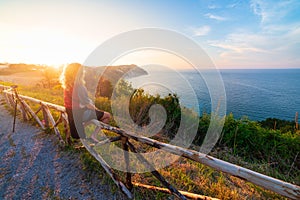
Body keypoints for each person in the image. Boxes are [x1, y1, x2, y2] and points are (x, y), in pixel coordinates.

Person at [60, 63, 111, 139]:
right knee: (107, 115)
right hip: (81, 114)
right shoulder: (79, 86)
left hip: (72, 116)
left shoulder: (67, 86)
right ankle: (94, 135)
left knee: (96, 115)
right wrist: (97, 110)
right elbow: (87, 104)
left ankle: (83, 126)